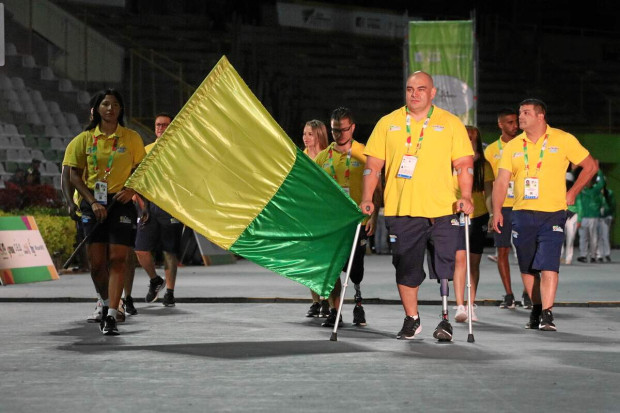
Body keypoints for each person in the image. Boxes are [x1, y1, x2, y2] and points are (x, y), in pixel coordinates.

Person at [361, 71, 474, 341]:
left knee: (445, 265)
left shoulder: (450, 123)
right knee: (405, 267)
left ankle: (445, 319)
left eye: (421, 89)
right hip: (402, 210)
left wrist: (466, 196)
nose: (415, 93)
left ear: (432, 93)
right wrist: (367, 199)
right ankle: (412, 318)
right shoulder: (388, 123)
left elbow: (464, 164)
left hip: (443, 209)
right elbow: (372, 167)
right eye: (410, 88)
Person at [492, 98, 598, 332]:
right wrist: (497, 211)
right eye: (520, 113)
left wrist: (573, 192)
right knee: (528, 267)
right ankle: (537, 309)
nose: (520, 117)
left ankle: (548, 314)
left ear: (541, 116)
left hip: (553, 214)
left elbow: (590, 166)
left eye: (526, 113)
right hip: (521, 213)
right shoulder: (513, 146)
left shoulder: (563, 139)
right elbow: (501, 181)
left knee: (549, 264)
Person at [65, 89, 146, 335]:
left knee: (118, 259)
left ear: (121, 110)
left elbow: (143, 169)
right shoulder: (84, 139)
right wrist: (90, 201)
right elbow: (73, 175)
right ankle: (103, 299)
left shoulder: (131, 138)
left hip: (121, 202)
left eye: (115, 105)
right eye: (105, 104)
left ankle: (112, 312)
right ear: (97, 109)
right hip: (93, 201)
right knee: (97, 264)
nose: (110, 109)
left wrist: (131, 189)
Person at [314, 107, 379, 327]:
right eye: (334, 130)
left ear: (352, 128)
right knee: (332, 268)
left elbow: (376, 189)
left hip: (358, 221)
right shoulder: (323, 158)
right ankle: (335, 310)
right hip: (332, 224)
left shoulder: (365, 153)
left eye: (343, 130)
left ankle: (358, 301)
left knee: (355, 269)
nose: (339, 134)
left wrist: (374, 216)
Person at [134, 112, 184, 307]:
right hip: (149, 207)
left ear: (171, 128)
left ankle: (170, 292)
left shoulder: (180, 152)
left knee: (169, 253)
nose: (161, 128)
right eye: (158, 125)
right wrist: (142, 206)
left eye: (165, 125)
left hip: (171, 208)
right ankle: (155, 281)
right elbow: (135, 182)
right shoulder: (146, 151)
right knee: (140, 250)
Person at [483, 108, 531, 309]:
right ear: (500, 124)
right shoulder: (491, 150)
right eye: (509, 122)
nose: (514, 125)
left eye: (516, 122)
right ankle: (509, 294)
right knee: (501, 251)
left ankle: (528, 293)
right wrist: (493, 211)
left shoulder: (527, 145)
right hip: (503, 208)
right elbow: (488, 184)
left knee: (525, 251)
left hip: (524, 206)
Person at [453, 126, 494, 323]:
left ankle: (471, 304)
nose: (468, 140)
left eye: (471, 138)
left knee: (474, 263)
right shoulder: (452, 162)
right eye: (465, 137)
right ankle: (459, 305)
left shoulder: (484, 166)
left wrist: (493, 214)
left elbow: (488, 194)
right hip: (456, 215)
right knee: (460, 260)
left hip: (478, 216)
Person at [301, 119, 331, 319]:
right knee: (309, 259)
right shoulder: (301, 158)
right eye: (304, 133)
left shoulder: (329, 156)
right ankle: (315, 301)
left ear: (319, 135)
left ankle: (327, 299)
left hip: (326, 215)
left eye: (310, 134)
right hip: (306, 214)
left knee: (325, 259)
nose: (305, 137)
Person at [576, 169, 605, 263]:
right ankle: (583, 255)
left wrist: (599, 170)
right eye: (586, 181)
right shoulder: (581, 191)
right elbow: (579, 204)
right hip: (584, 217)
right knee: (583, 237)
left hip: (593, 217)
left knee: (593, 237)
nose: (587, 182)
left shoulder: (596, 190)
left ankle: (593, 256)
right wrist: (579, 219)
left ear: (592, 182)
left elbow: (602, 182)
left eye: (589, 181)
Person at [562, 164, 579, 264]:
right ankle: (559, 256)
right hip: (562, 215)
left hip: (573, 216)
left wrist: (579, 218)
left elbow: (580, 205)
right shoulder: (559, 192)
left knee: (570, 238)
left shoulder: (575, 191)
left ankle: (568, 258)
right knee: (559, 238)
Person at [597, 180, 615, 263]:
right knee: (598, 237)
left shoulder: (609, 193)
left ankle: (607, 253)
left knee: (605, 236)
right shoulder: (595, 193)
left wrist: (611, 216)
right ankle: (599, 254)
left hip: (606, 217)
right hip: (597, 217)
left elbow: (612, 205)